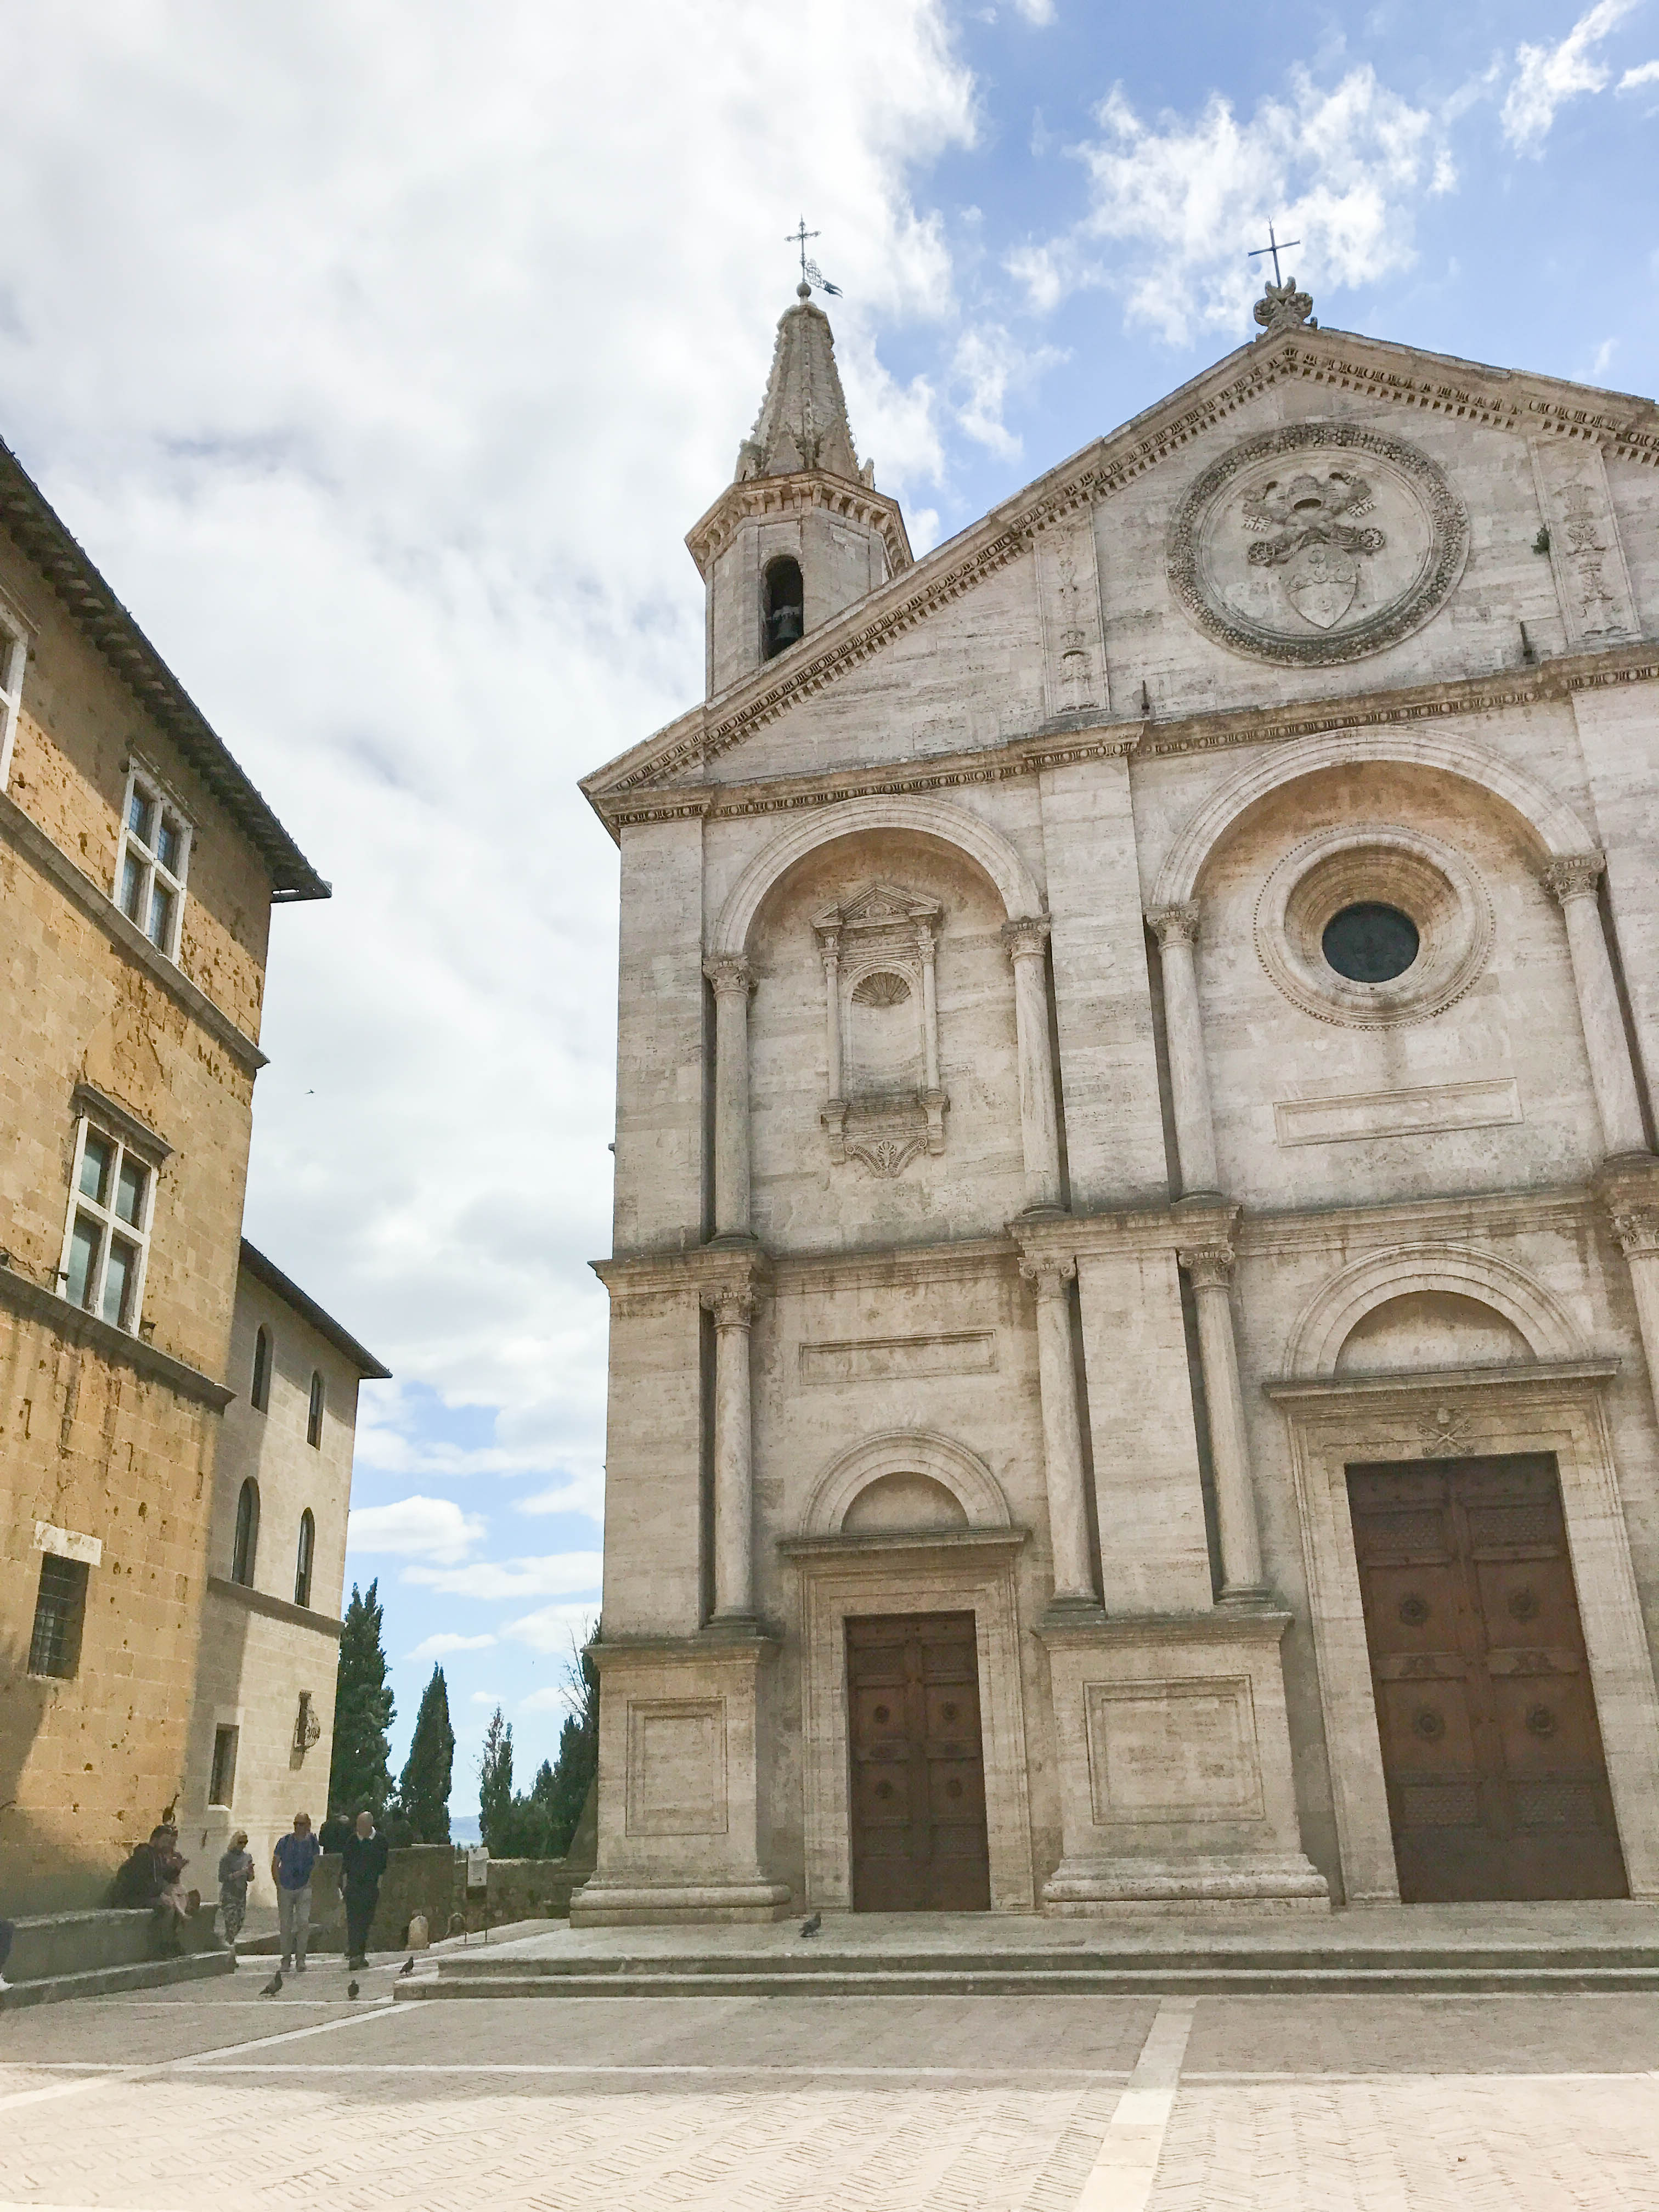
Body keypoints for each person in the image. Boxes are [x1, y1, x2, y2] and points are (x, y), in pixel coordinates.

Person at [271, 1812, 321, 1974]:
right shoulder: (285, 1842)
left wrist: (311, 1880)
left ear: (308, 1825)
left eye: (301, 1824)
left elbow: (317, 1862)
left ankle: (301, 1959)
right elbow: (275, 1863)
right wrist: (278, 1884)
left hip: (304, 1886)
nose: (298, 1827)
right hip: (286, 1886)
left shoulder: (313, 1841)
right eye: (296, 1824)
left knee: (303, 1922)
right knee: (286, 1925)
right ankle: (286, 1959)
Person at [338, 1808, 389, 1971]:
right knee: (353, 1922)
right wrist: (344, 1888)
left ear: (369, 1825)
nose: (358, 1827)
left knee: (366, 1922)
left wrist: (378, 1888)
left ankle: (360, 1954)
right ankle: (355, 1955)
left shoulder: (380, 1841)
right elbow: (345, 1866)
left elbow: (382, 1867)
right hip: (354, 1888)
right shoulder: (353, 1841)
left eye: (361, 1824)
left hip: (370, 1888)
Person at [217, 1830, 255, 1961]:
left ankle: (228, 1948)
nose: (243, 1845)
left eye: (245, 1843)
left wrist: (249, 1872)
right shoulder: (227, 1858)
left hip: (241, 1894)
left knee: (239, 1923)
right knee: (231, 1924)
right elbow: (222, 1877)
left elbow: (251, 1879)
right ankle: (230, 1956)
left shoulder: (247, 1857)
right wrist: (240, 1873)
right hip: (229, 1894)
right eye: (240, 1842)